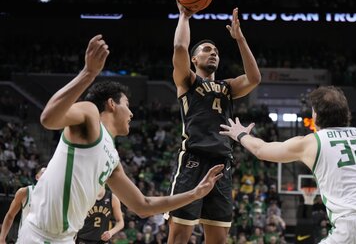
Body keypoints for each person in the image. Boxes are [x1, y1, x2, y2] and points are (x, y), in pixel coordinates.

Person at [17, 35, 224, 243]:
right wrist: (88, 73)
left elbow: (142, 206)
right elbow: (48, 118)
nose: (131, 114)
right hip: (37, 234)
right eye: (127, 104)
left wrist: (195, 194)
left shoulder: (112, 158)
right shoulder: (90, 115)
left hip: (66, 239)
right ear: (111, 104)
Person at [220, 86, 356, 243]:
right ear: (346, 113)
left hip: (354, 227)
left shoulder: (310, 142)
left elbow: (261, 150)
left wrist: (241, 134)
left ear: (314, 115)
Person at [167, 0, 261, 244]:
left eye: (216, 51)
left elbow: (254, 77)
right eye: (207, 50)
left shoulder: (227, 87)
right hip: (193, 161)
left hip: (222, 164)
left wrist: (239, 39)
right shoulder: (187, 81)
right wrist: (184, 17)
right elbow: (179, 47)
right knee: (178, 238)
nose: (213, 53)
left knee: (218, 240)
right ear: (195, 59)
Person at [0, 166, 46, 243]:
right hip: (25, 240)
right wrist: (2, 238)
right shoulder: (25, 192)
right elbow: (10, 215)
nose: (46, 176)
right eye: (43, 173)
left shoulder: (56, 197)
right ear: (37, 177)